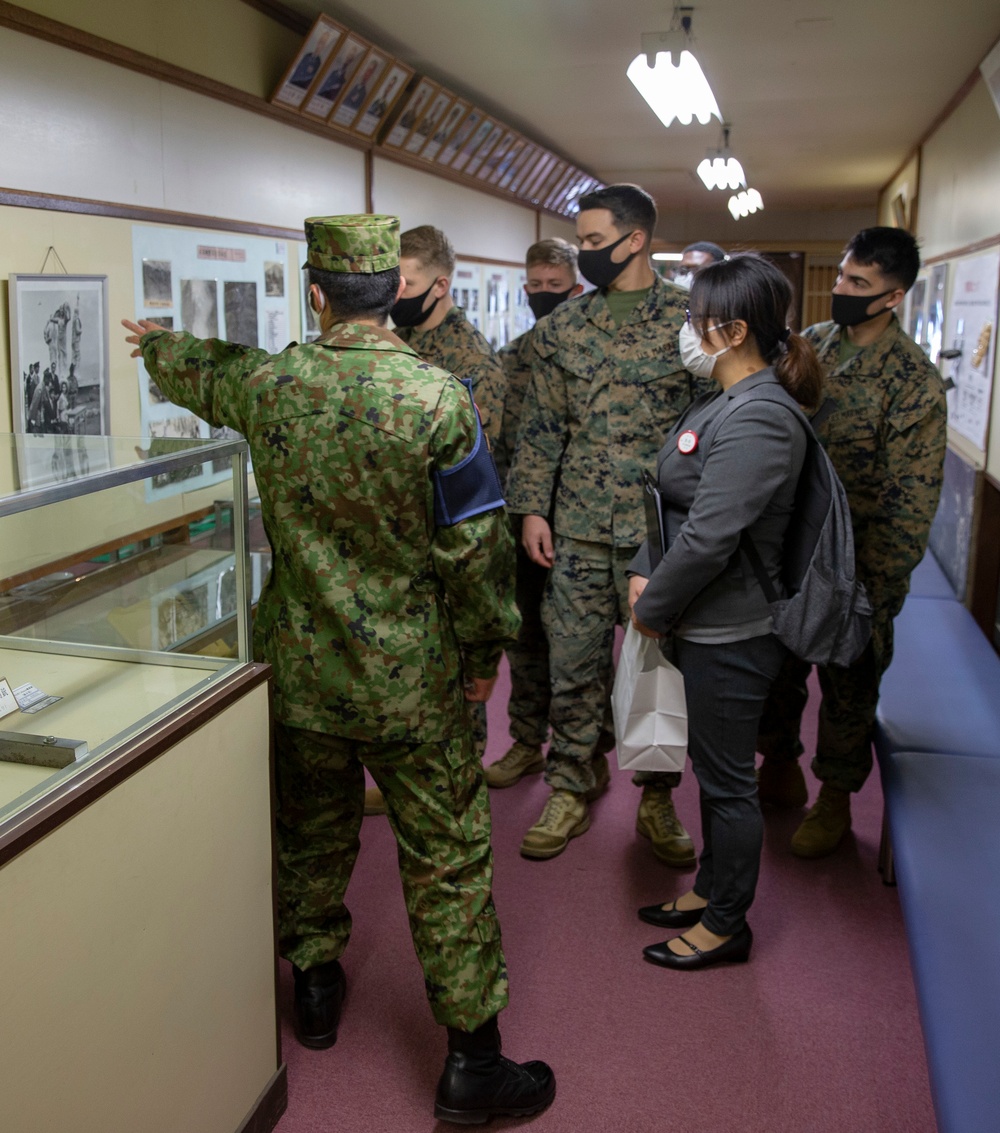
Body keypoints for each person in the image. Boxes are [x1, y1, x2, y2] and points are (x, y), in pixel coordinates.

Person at [123, 214, 554, 1125]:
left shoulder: (274, 384)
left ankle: (314, 990)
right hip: (416, 685)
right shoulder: (439, 401)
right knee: (446, 860)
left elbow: (206, 370)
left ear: (316, 292)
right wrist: (485, 659)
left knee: (311, 835)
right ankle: (474, 1064)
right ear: (394, 290)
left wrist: (156, 347)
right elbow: (475, 554)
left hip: (301, 674)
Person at [630, 253, 822, 969]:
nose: (686, 329)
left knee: (728, 783)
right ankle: (710, 887)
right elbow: (672, 497)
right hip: (701, 619)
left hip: (733, 630)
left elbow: (712, 534)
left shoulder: (763, 416)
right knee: (714, 771)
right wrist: (645, 572)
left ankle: (727, 923)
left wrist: (656, 606)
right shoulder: (723, 398)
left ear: (735, 329)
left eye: (694, 318)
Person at [506, 183, 704, 863]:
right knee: (574, 664)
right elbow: (542, 427)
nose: (585, 254)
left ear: (636, 238)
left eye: (593, 242)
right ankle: (570, 784)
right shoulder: (563, 328)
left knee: (655, 670)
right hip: (579, 530)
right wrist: (533, 506)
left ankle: (655, 798)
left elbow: (714, 422)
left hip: (659, 533)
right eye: (582, 242)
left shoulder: (692, 318)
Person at [756, 226, 947, 857]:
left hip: (860, 564)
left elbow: (912, 500)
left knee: (848, 690)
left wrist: (880, 590)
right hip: (795, 553)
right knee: (779, 674)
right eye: (841, 276)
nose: (840, 289)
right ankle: (778, 767)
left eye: (858, 284)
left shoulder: (912, 382)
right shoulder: (811, 346)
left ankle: (834, 800)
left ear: (892, 297)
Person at [362, 224, 509, 816]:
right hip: (390, 540)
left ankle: (459, 783)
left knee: (454, 678)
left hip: (443, 543)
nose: (396, 290)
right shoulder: (387, 345)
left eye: (408, 281)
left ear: (439, 284)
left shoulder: (472, 365)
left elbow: (473, 485)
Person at [485, 238, 583, 790]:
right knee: (524, 640)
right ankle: (527, 742)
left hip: (582, 524)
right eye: (536, 287)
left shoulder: (592, 353)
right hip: (522, 521)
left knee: (579, 653)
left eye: (555, 287)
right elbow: (501, 447)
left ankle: (584, 754)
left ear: (576, 288)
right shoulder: (513, 357)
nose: (544, 296)